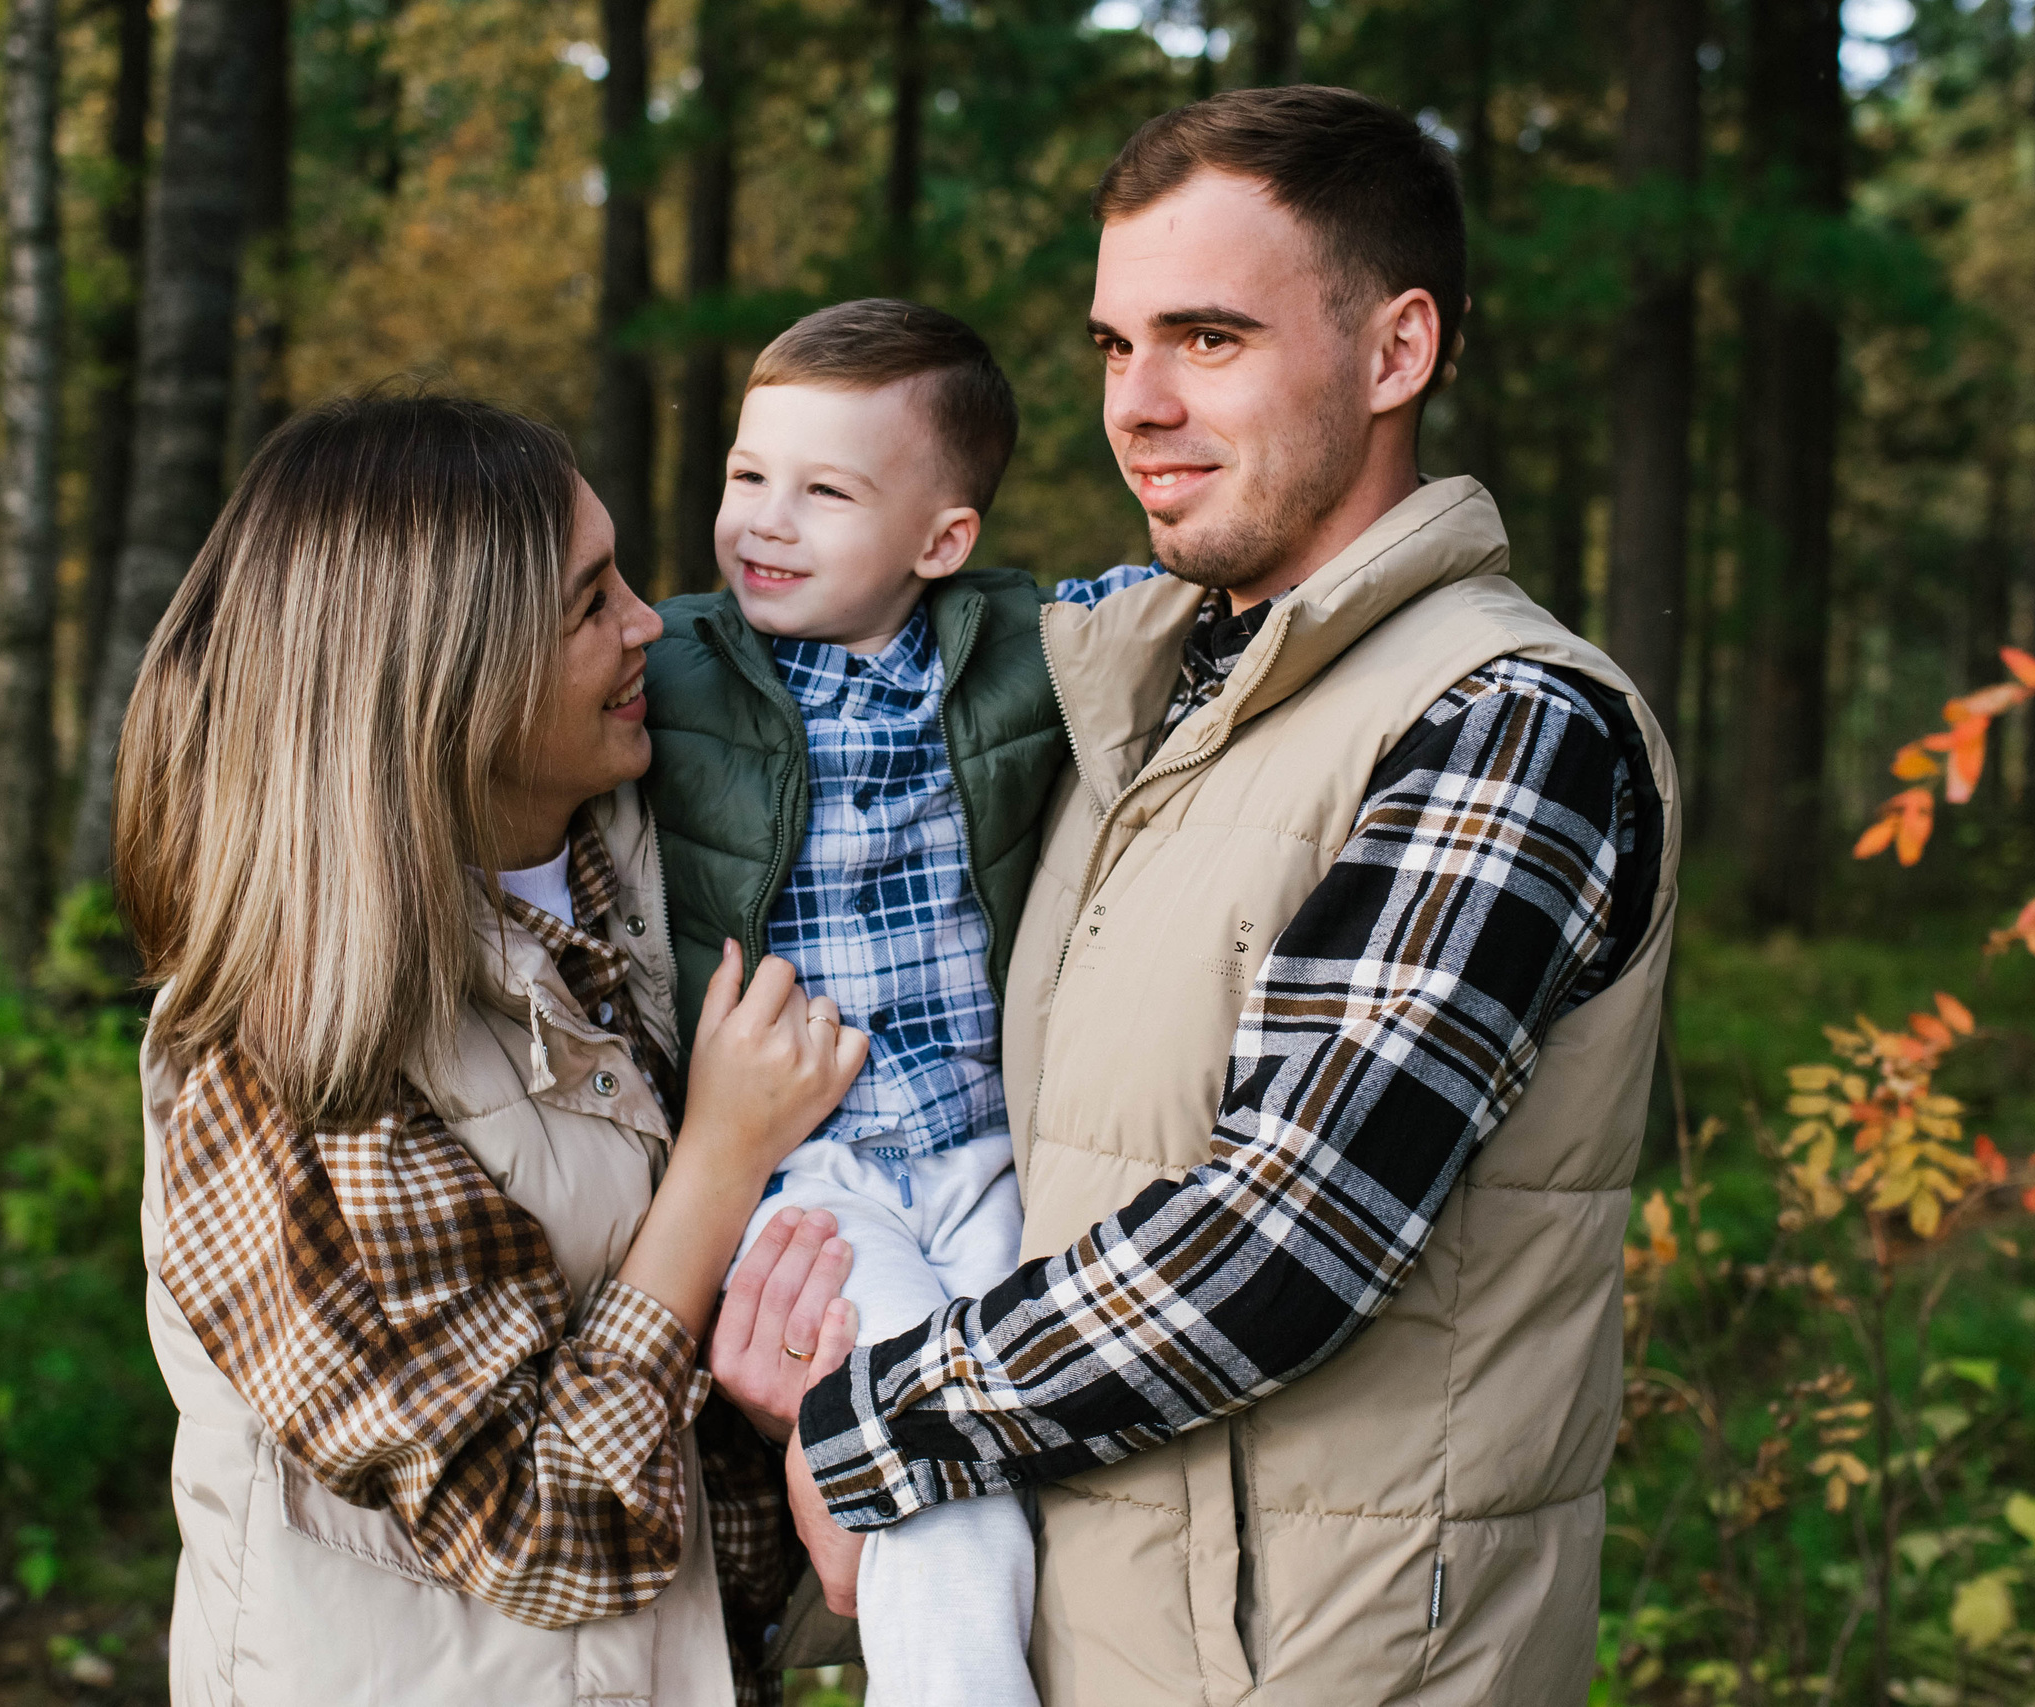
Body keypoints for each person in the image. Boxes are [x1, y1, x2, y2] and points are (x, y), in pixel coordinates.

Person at [784, 88, 1682, 1705]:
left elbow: (1289, 1234)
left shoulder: (1505, 722)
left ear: (1397, 353)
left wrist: (874, 1426)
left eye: (1208, 340)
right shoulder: (1136, 701)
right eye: (1116, 346)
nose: (1137, 406)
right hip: (1100, 1642)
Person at [114, 391, 871, 1707]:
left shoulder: (656, 876)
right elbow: (545, 1530)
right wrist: (723, 1159)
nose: (649, 621)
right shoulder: (285, 1058)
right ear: (442, 680)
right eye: (590, 603)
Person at [639, 299, 1155, 1707]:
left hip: (988, 1150)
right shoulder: (672, 665)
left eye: (824, 491)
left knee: (1060, 1423)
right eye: (749, 475)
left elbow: (1189, 613)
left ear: (940, 543)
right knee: (927, 1433)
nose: (766, 521)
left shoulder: (1014, 651)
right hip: (815, 1179)